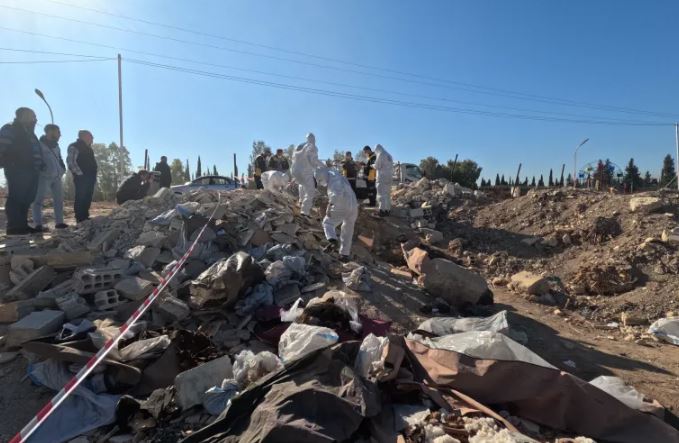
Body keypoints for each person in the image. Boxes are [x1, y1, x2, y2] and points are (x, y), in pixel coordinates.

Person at [0, 107, 43, 235]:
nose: (35, 119)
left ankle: (22, 225)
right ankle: (14, 227)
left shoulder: (30, 132)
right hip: (17, 168)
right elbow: (2, 145)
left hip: (32, 169)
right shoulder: (10, 128)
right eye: (32, 116)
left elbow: (36, 150)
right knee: (17, 196)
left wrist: (41, 163)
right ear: (23, 115)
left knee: (27, 198)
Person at [315, 167, 358, 261]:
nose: (321, 182)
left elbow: (337, 195)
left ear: (323, 175)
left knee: (327, 223)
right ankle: (344, 254)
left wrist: (329, 206)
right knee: (347, 230)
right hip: (353, 205)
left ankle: (333, 241)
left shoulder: (334, 181)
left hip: (342, 205)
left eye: (320, 180)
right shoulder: (339, 176)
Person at [32, 124, 67, 231]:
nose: (60, 135)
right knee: (38, 200)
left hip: (57, 177)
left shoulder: (57, 146)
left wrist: (62, 168)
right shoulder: (39, 144)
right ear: (50, 132)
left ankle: (59, 223)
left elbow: (60, 158)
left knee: (59, 201)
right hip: (43, 176)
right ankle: (38, 225)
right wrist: (42, 168)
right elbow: (35, 158)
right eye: (58, 132)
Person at [67, 130, 97, 223]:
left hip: (90, 178)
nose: (92, 138)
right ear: (85, 136)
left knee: (87, 196)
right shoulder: (75, 146)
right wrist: (80, 175)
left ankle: (85, 216)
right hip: (81, 177)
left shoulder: (89, 149)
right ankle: (80, 218)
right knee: (81, 196)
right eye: (91, 136)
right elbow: (71, 162)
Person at [291, 132, 324, 216]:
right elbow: (312, 160)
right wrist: (323, 166)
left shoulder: (300, 145)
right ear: (313, 139)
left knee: (302, 185)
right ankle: (305, 210)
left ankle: (301, 201)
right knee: (310, 190)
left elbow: (293, 158)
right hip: (305, 170)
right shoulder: (312, 146)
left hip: (295, 170)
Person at [374, 144, 394, 216]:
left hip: (382, 177)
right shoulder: (389, 155)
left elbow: (377, 166)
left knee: (381, 194)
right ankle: (387, 210)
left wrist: (373, 165)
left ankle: (381, 210)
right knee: (387, 194)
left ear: (377, 149)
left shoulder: (381, 154)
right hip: (389, 177)